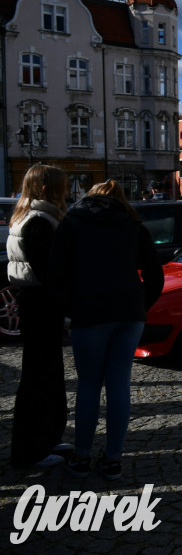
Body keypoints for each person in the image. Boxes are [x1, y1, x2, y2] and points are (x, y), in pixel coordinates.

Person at [50, 180, 164, 480]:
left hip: (89, 312)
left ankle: (82, 455)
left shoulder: (73, 222)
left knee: (88, 385)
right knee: (118, 385)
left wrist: (69, 311)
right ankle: (113, 458)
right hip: (128, 313)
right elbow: (155, 274)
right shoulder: (133, 225)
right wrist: (140, 304)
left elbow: (57, 273)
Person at [8, 165, 70, 469]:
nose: (67, 192)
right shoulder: (38, 221)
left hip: (37, 303)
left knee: (45, 376)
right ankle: (31, 449)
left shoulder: (29, 216)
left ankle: (45, 438)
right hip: (41, 305)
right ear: (47, 190)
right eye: (62, 186)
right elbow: (50, 271)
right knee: (39, 378)